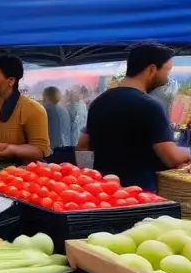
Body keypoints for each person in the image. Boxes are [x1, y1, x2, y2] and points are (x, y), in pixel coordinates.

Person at [78, 42, 191, 191]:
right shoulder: (150, 106)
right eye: (167, 71)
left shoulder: (99, 102)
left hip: (102, 191)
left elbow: (82, 145)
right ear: (152, 69)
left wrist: (87, 174)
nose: (167, 78)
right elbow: (171, 157)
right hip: (138, 193)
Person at [42, 86, 72, 152]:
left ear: (46, 96)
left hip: (52, 149)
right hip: (65, 146)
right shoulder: (64, 109)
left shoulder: (46, 109)